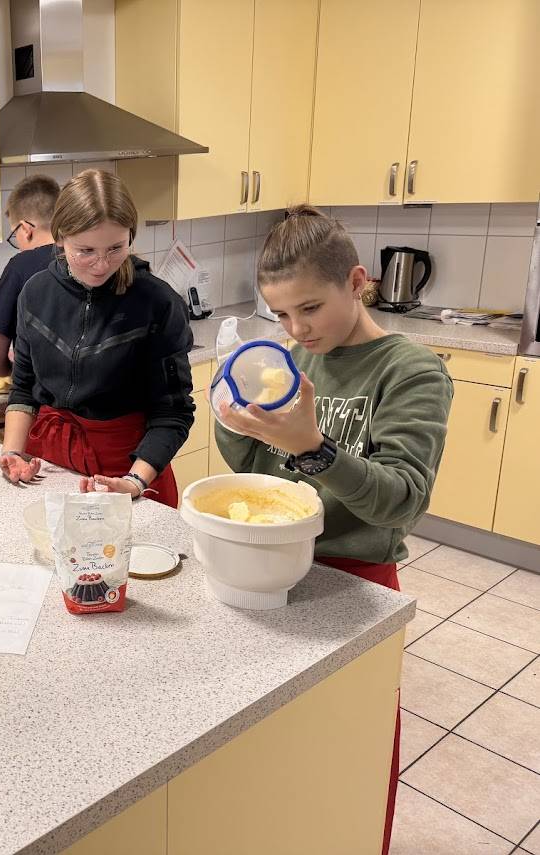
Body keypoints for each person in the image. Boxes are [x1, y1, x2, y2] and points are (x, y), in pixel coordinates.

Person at [214, 205, 453, 855]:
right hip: (273, 575)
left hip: (355, 586)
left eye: (310, 308)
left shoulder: (409, 371)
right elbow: (256, 469)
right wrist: (232, 421)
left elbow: (402, 502)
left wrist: (315, 448)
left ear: (356, 282)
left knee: (351, 761)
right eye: (281, 314)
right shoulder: (293, 358)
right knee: (279, 767)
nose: (297, 329)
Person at [0, 169, 195, 506]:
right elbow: (24, 389)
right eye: (85, 250)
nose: (102, 265)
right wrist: (13, 454)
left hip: (131, 468)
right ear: (60, 238)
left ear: (131, 235)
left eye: (116, 248)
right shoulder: (35, 294)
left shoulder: (157, 303)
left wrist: (133, 482)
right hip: (51, 465)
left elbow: (173, 412)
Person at [0, 174, 60, 380]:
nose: (18, 244)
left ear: (26, 229)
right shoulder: (85, 257)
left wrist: (14, 373)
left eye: (14, 235)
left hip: (40, 395)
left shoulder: (21, 266)